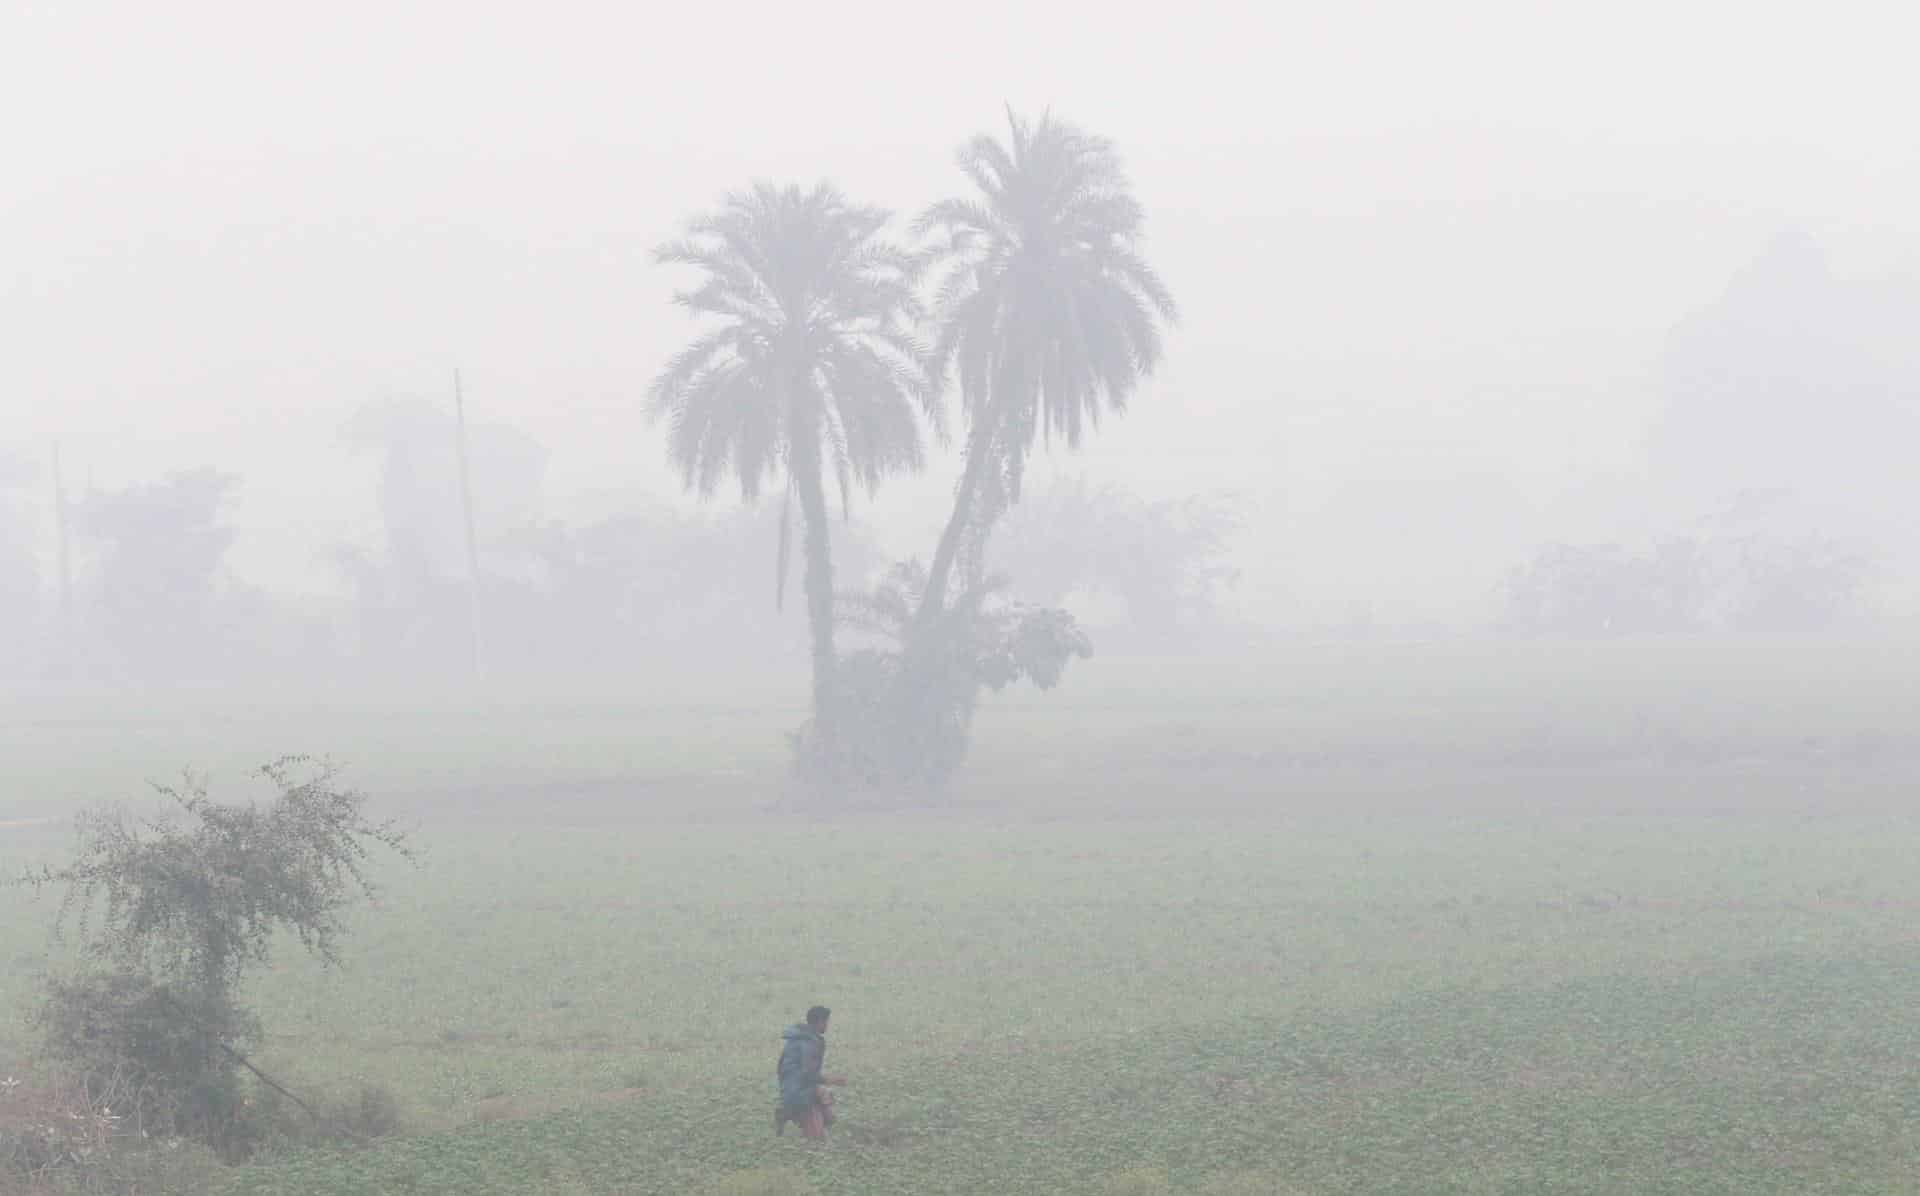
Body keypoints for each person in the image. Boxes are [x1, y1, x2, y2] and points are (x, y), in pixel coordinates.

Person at [775, 1005, 846, 1138]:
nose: (827, 1025)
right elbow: (807, 1075)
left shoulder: (799, 1037)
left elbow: (781, 1068)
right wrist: (832, 1080)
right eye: (826, 1022)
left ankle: (789, 1112)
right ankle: (789, 1112)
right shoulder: (808, 1042)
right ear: (819, 1022)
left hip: (792, 1087)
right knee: (816, 1139)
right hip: (798, 1091)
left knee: (827, 1111)